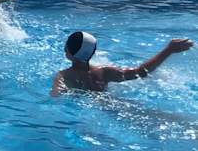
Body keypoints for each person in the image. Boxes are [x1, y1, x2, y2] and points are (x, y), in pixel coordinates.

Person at [51, 32, 193, 96]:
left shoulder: (63, 76)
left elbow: (56, 95)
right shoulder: (105, 71)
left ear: (67, 52)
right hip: (113, 103)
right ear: (93, 52)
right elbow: (141, 72)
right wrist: (169, 50)